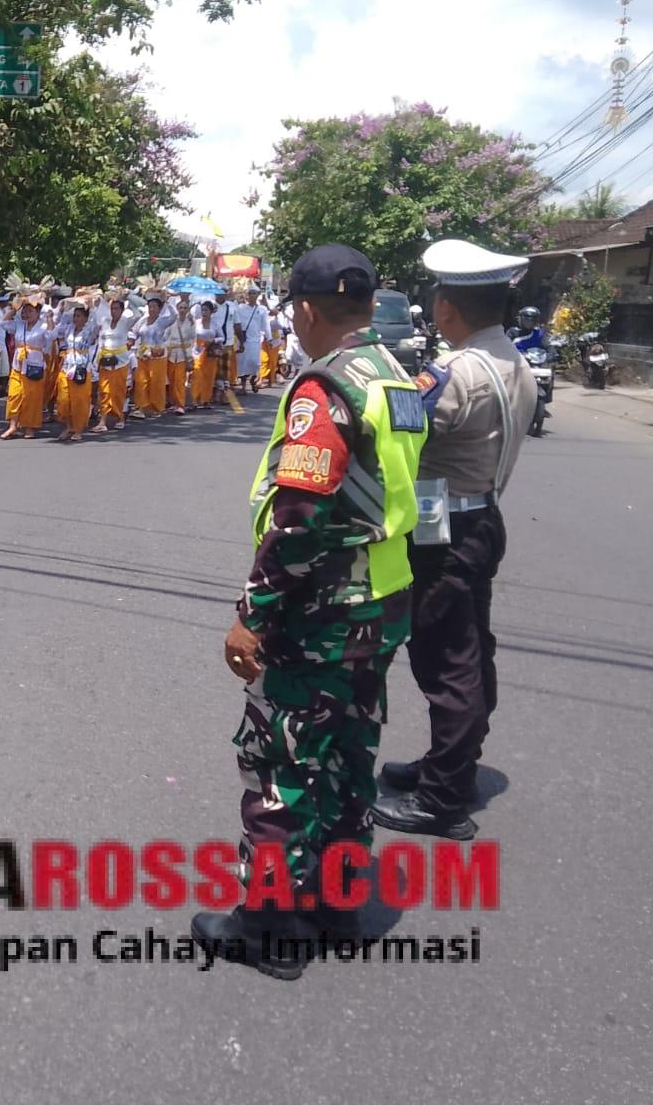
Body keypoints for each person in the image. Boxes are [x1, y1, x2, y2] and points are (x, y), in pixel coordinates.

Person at [191, 244, 427, 980]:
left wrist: (252, 613)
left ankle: (266, 928)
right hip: (380, 605)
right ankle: (337, 905)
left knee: (283, 767)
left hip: (322, 611)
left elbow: (299, 519)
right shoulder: (394, 376)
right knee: (349, 760)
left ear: (302, 309)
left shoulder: (326, 389)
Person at [371, 239, 537, 840]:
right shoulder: (512, 361)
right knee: (470, 651)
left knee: (446, 661)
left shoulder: (459, 372)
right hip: (480, 517)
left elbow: (398, 432)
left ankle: (443, 798)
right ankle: (450, 766)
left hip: (445, 531)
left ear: (446, 307)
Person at [0, 297, 50, 439]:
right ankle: (13, 426)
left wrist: (50, 319)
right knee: (14, 395)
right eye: (25, 311)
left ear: (38, 312)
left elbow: (51, 337)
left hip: (34, 365)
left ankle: (29, 427)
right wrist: (15, 308)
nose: (26, 314)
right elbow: (3, 323)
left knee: (31, 397)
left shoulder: (43, 326)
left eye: (30, 311)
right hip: (18, 364)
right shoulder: (19, 325)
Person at [53, 296, 98, 442]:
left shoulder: (89, 331)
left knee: (79, 401)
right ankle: (69, 426)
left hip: (81, 368)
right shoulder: (69, 329)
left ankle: (78, 429)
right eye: (75, 316)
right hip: (67, 366)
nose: (76, 319)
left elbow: (96, 323)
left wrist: (91, 306)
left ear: (85, 318)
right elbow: (58, 326)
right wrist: (65, 306)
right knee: (63, 400)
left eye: (79, 316)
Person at [91, 290, 137, 433]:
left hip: (120, 362)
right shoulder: (105, 321)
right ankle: (102, 421)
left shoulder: (125, 322)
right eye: (112, 308)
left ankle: (120, 418)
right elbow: (100, 340)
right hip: (105, 360)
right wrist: (97, 361)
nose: (113, 311)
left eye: (116, 308)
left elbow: (138, 314)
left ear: (122, 310)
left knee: (118, 392)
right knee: (104, 391)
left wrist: (129, 296)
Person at [132, 293, 172, 417]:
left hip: (157, 354)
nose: (152, 309)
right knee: (141, 381)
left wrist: (167, 302)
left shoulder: (162, 321)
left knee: (156, 382)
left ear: (159, 309)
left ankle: (156, 407)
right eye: (150, 306)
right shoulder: (143, 320)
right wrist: (131, 340)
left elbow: (174, 316)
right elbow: (134, 332)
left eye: (154, 306)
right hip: (143, 354)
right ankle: (142, 407)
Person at [164, 296, 195, 416]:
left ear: (188, 310)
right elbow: (165, 335)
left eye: (185, 308)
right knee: (171, 379)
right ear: (177, 308)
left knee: (180, 380)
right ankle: (174, 402)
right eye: (180, 307)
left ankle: (181, 405)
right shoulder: (172, 321)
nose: (182, 310)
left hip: (183, 354)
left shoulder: (190, 322)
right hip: (171, 354)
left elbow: (193, 338)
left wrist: (190, 354)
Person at [236, 289, 268, 392]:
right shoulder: (240, 308)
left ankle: (253, 379)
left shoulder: (262, 309)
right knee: (242, 364)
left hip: (255, 341)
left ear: (258, 295)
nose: (252, 295)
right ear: (247, 295)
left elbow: (265, 325)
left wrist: (269, 337)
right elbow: (237, 322)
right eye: (250, 293)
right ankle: (243, 387)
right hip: (243, 340)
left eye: (254, 293)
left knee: (255, 363)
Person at [191, 301, 219, 409]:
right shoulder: (196, 323)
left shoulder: (215, 324)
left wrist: (214, 340)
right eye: (202, 310)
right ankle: (194, 399)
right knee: (197, 374)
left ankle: (206, 399)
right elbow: (191, 336)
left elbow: (222, 337)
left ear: (211, 312)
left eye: (206, 310)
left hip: (210, 352)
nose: (204, 312)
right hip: (197, 352)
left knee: (209, 376)